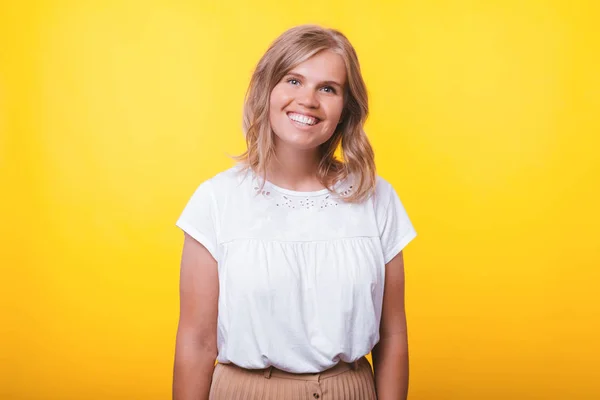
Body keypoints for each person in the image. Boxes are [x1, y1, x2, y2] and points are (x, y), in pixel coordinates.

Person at [172, 24, 417, 400]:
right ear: (266, 89)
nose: (308, 100)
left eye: (328, 88)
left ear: (345, 108)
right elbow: (197, 342)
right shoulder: (216, 200)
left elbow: (393, 336)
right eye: (293, 80)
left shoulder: (377, 198)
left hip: (349, 389)